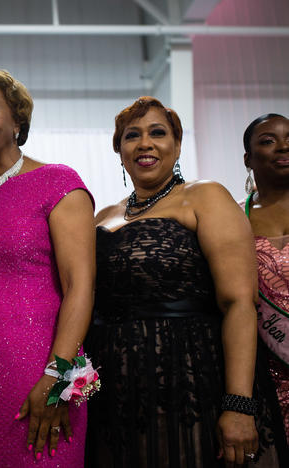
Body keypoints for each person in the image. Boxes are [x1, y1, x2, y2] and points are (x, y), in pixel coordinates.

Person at [85, 96, 265, 467]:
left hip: (189, 384)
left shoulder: (204, 196)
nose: (145, 143)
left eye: (158, 133)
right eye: (132, 135)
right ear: (119, 150)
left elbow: (240, 303)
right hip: (115, 393)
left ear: (177, 144)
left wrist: (238, 404)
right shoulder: (102, 214)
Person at [0, 67, 96, 467]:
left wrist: (58, 378)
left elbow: (80, 287)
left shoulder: (59, 182)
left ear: (17, 120)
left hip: (41, 375)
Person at [243, 113, 289, 454]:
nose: (284, 145)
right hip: (266, 373)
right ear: (248, 158)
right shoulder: (232, 218)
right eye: (268, 140)